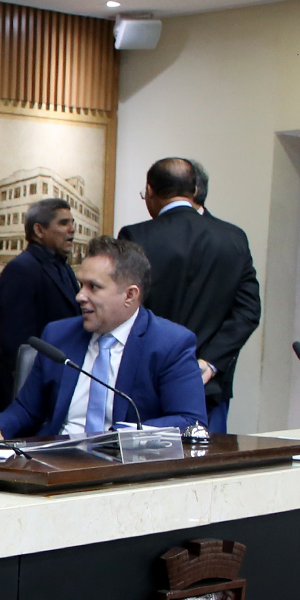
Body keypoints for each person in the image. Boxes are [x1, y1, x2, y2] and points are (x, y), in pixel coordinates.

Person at [0, 236, 207, 439]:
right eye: (81, 285)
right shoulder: (58, 335)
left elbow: (190, 421)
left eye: (94, 287)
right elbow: (26, 409)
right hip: (57, 460)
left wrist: (120, 436)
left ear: (130, 295)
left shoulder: (170, 343)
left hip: (126, 464)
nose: (80, 296)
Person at [118, 157, 258, 433]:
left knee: (141, 457)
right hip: (207, 386)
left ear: (150, 190)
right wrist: (210, 363)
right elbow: (248, 311)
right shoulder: (233, 238)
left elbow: (122, 307)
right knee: (208, 458)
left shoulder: (136, 236)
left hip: (146, 383)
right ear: (195, 190)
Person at [0, 197, 80, 408]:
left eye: (72, 223)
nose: (72, 229)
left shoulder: (64, 267)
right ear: (39, 231)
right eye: (63, 223)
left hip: (59, 383)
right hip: (30, 391)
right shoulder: (20, 270)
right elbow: (19, 345)